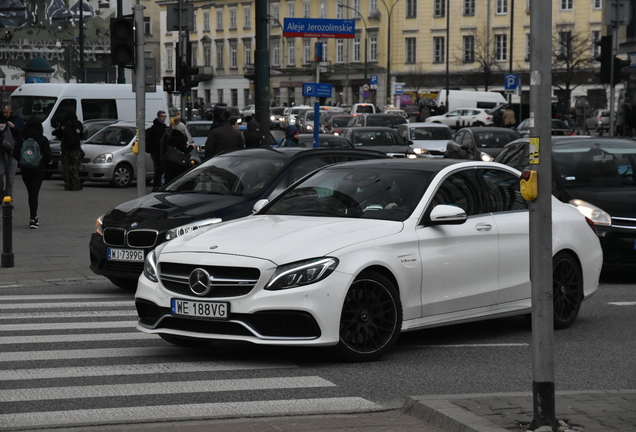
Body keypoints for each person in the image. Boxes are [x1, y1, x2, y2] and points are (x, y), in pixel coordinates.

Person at [12, 117, 51, 228]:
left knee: (30, 192)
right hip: (38, 170)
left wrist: (22, 162)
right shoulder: (42, 139)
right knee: (34, 193)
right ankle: (33, 218)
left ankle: (33, 217)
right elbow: (48, 155)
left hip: (26, 170)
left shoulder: (23, 138)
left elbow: (15, 153)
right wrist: (41, 163)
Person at [53, 108, 83, 191]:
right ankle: (76, 184)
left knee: (66, 167)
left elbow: (56, 133)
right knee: (75, 167)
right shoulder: (77, 124)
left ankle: (67, 184)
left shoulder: (63, 124)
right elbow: (82, 135)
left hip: (65, 148)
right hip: (75, 149)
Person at [0, 102, 24, 199]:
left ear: (10, 110)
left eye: (7, 112)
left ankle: (9, 198)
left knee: (10, 178)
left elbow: (22, 132)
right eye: (3, 112)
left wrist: (13, 127)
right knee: (0, 174)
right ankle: (1, 194)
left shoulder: (17, 119)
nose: (5, 115)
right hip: (1, 152)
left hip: (12, 153)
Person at [146, 110, 169, 190]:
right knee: (159, 169)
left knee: (159, 169)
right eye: (162, 116)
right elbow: (159, 141)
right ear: (159, 117)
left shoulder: (162, 127)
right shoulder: (158, 128)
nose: (164, 118)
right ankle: (157, 185)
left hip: (157, 152)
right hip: (157, 152)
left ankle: (157, 185)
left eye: (165, 116)